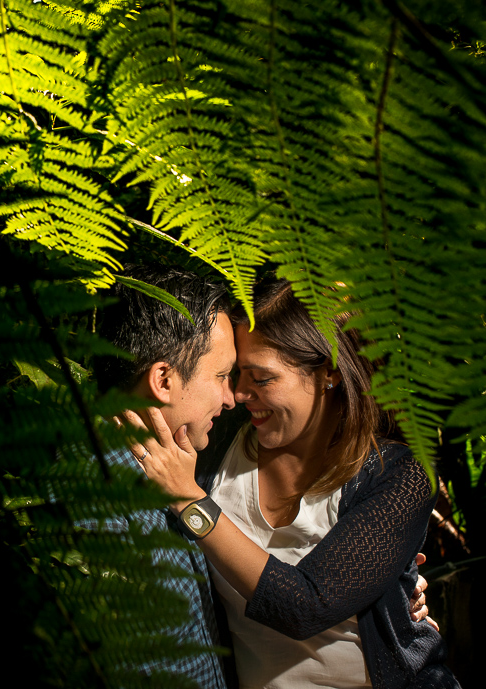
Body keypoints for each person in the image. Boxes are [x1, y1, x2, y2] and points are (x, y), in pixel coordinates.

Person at [97, 267, 437, 689]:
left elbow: (305, 607)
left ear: (329, 371)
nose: (237, 394)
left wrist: (190, 502)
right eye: (234, 373)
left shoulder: (398, 475)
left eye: (261, 378)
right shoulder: (216, 447)